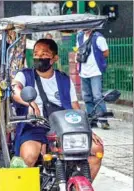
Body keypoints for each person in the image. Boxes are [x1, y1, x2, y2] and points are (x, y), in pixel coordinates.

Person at [11, 38, 104, 181]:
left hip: (63, 127)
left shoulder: (64, 80)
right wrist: (29, 103)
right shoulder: (24, 75)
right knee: (29, 155)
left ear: (54, 58)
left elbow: (74, 107)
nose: (39, 57)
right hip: (34, 126)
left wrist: (87, 129)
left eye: (44, 54)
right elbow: (15, 89)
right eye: (36, 53)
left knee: (97, 149)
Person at [76, 29, 110, 130]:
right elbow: (78, 50)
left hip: (95, 72)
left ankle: (104, 120)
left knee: (97, 96)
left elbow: (106, 53)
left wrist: (96, 58)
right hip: (84, 72)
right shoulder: (80, 36)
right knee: (86, 97)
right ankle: (92, 120)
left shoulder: (98, 37)